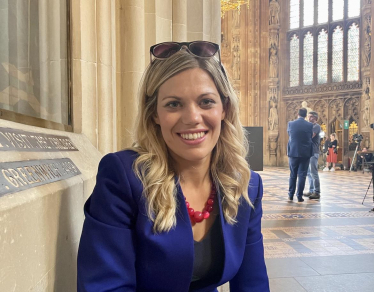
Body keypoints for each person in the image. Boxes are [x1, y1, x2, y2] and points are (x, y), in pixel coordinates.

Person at [77, 41, 270, 292]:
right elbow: (105, 285)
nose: (192, 118)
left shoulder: (246, 185)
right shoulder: (124, 176)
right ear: (154, 114)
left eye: (206, 102)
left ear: (225, 108)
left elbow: (252, 283)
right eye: (173, 104)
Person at [287, 108, 313, 202]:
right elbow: (310, 137)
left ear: (297, 114)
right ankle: (299, 196)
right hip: (305, 153)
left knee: (293, 174)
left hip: (293, 152)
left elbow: (290, 135)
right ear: (306, 115)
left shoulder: (291, 124)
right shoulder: (309, 125)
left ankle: (290, 195)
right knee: (302, 175)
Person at [304, 111, 321, 200]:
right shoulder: (309, 126)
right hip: (308, 152)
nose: (309, 119)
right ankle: (311, 190)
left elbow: (310, 136)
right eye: (308, 117)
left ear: (315, 118)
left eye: (311, 117)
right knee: (309, 173)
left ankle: (317, 191)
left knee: (314, 172)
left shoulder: (316, 126)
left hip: (314, 152)